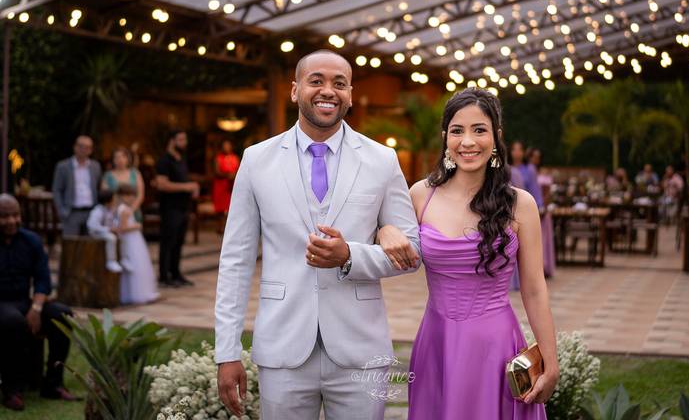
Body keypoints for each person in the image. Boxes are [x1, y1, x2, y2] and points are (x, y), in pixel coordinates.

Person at [215, 50, 421, 420]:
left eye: (339, 83)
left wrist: (350, 257)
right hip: (282, 347)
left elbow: (412, 253)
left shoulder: (381, 160)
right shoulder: (257, 160)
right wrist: (227, 351)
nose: (328, 90)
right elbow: (235, 261)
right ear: (295, 90)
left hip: (360, 348)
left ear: (350, 95)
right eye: (316, 81)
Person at [382, 89, 557, 418]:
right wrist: (384, 230)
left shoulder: (520, 204)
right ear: (445, 137)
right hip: (436, 342)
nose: (468, 141)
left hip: (495, 346)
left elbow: (534, 289)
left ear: (496, 137)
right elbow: (382, 243)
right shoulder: (420, 195)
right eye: (457, 130)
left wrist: (551, 359)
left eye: (479, 130)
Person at [0, 194, 78, 411]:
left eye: (15, 215)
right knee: (13, 322)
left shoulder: (31, 241)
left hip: (23, 302)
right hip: (2, 304)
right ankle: (12, 389)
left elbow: (43, 279)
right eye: (4, 216)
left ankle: (53, 384)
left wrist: (36, 307)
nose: (11, 221)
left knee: (62, 314)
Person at [155, 130, 199, 287]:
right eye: (181, 139)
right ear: (171, 141)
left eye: (185, 139)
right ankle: (164, 276)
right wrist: (187, 187)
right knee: (168, 242)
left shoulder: (181, 160)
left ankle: (175, 273)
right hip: (170, 208)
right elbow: (161, 184)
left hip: (182, 207)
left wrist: (192, 188)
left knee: (179, 242)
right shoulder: (164, 161)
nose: (184, 143)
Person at [114, 184, 159, 305]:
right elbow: (122, 228)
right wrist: (136, 226)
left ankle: (140, 291)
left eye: (132, 196)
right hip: (130, 240)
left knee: (139, 264)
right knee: (134, 263)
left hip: (134, 239)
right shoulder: (124, 210)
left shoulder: (125, 208)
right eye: (129, 196)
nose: (132, 198)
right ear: (122, 196)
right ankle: (134, 292)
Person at [52, 135, 102, 236]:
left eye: (87, 147)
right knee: (70, 243)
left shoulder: (95, 166)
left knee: (90, 244)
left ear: (91, 150)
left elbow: (99, 187)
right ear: (75, 147)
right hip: (71, 213)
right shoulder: (63, 166)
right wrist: (61, 210)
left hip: (91, 213)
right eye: (81, 146)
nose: (84, 150)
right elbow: (57, 190)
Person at [527, 147, 556, 278]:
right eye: (534, 157)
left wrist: (544, 206)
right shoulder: (529, 170)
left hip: (542, 208)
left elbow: (547, 193)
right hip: (535, 208)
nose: (536, 159)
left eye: (538, 157)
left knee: (543, 239)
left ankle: (544, 265)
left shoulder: (540, 172)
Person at [102, 147, 145, 222]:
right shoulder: (107, 176)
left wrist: (131, 210)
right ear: (113, 160)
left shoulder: (135, 173)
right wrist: (116, 210)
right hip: (114, 214)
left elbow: (140, 194)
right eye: (117, 157)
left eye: (123, 156)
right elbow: (105, 196)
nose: (120, 160)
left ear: (127, 158)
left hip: (134, 212)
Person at [85, 190, 122, 273]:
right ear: (107, 201)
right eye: (113, 199)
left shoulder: (110, 209)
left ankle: (123, 259)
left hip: (105, 231)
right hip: (95, 233)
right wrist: (108, 229)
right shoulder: (97, 211)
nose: (115, 201)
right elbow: (92, 225)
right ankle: (111, 261)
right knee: (111, 238)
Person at [212, 140, 240, 232]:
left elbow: (239, 170)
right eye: (225, 146)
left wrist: (234, 175)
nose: (226, 147)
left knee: (231, 207)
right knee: (221, 208)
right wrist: (227, 175)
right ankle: (220, 227)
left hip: (232, 185)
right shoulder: (218, 158)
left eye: (228, 145)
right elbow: (216, 172)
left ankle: (230, 228)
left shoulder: (235, 158)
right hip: (221, 185)